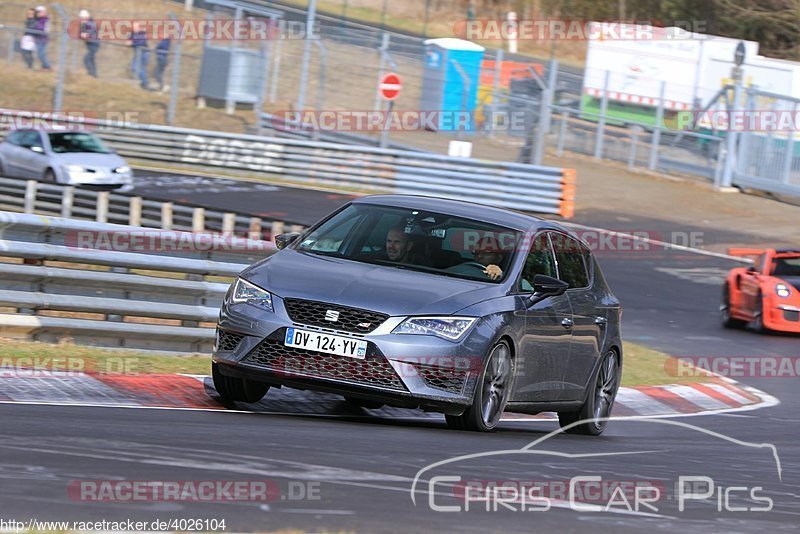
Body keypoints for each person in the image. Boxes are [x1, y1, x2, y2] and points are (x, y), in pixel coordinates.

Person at [128, 22, 149, 89]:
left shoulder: (142, 33)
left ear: (139, 27)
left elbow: (141, 43)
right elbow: (128, 41)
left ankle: (145, 83)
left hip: (144, 53)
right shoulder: (133, 33)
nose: (134, 28)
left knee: (141, 68)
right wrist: (130, 43)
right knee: (134, 68)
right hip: (137, 53)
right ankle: (144, 82)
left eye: (136, 27)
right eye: (134, 27)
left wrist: (132, 44)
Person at [78, 9, 99, 77]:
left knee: (86, 59)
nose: (81, 19)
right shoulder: (84, 23)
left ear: (86, 17)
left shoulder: (91, 22)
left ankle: (91, 74)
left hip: (94, 44)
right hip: (90, 44)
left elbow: (87, 34)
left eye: (82, 18)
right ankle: (95, 75)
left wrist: (85, 36)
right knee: (91, 60)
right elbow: (82, 35)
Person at [33, 5, 50, 70]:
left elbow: (43, 29)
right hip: (38, 39)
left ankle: (47, 66)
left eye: (39, 12)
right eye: (37, 12)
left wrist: (37, 29)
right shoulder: (38, 19)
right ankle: (44, 66)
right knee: (40, 54)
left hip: (43, 39)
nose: (38, 13)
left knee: (41, 54)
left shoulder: (45, 19)